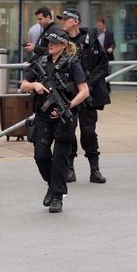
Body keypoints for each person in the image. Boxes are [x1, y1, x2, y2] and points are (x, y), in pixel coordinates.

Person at [20, 30, 90, 213]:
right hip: (43, 116)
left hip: (64, 118)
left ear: (64, 45)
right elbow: (23, 85)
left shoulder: (72, 63)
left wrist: (68, 106)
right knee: (40, 155)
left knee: (60, 158)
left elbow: (84, 91)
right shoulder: (41, 62)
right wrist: (34, 85)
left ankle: (57, 196)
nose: (50, 44)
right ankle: (53, 185)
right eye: (49, 41)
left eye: (54, 42)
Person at [59, 8, 110, 184]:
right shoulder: (60, 40)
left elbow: (103, 65)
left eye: (65, 19)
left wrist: (88, 83)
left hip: (88, 94)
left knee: (88, 133)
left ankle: (94, 170)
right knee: (69, 132)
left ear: (75, 22)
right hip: (68, 94)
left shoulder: (91, 40)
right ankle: (69, 169)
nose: (62, 22)